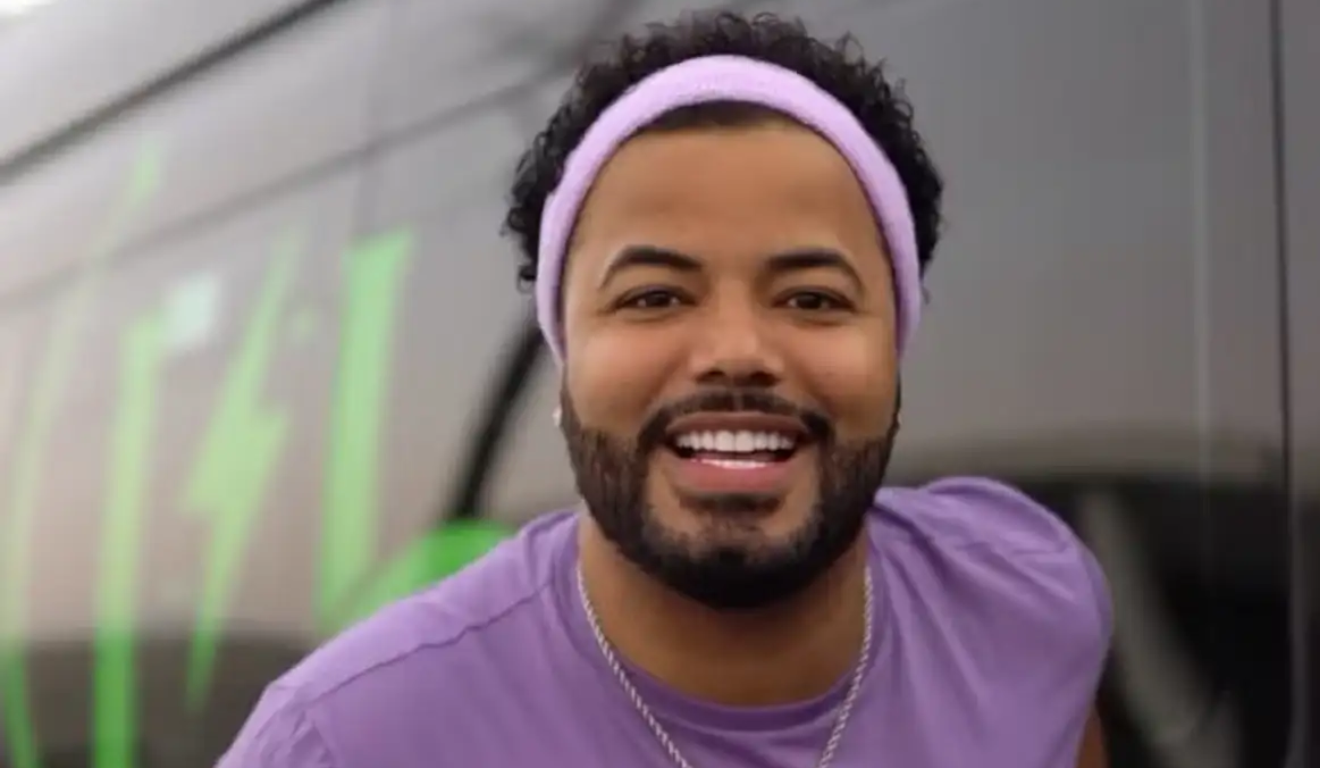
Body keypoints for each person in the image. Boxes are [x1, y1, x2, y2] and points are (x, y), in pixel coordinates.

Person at [218, 11, 1111, 767]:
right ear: (566, 359)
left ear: (895, 343)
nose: (735, 352)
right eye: (653, 297)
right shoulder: (346, 741)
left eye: (812, 298)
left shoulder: (1024, 605)